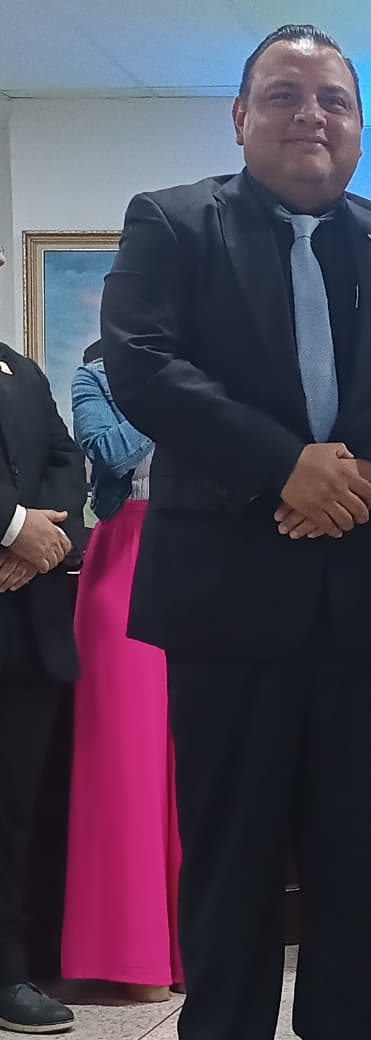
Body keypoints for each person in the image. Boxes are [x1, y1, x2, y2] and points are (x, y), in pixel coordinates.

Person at [101, 24, 371, 1040]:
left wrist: (369, 481)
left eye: (333, 100)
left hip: (368, 593)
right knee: (234, 847)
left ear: (359, 125)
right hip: (229, 596)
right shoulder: (173, 222)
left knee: (361, 845)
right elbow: (144, 364)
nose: (311, 116)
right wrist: (287, 467)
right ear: (240, 116)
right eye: (284, 95)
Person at [60, 342, 182, 995]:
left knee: (195, 759)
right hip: (122, 559)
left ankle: (194, 949)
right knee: (127, 761)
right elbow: (111, 452)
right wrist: (167, 397)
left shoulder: (205, 369)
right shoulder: (94, 379)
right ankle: (133, 956)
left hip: (196, 552)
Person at [0, 320, 86, 1033]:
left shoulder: (20, 371)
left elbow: (66, 462)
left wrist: (45, 543)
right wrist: (10, 527)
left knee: (13, 813)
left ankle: (9, 971)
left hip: (28, 627)